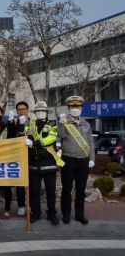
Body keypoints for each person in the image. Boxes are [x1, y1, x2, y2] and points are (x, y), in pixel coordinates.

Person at [58, 96, 95, 225]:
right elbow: (60, 135)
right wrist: (62, 123)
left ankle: (80, 215)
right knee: (66, 189)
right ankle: (66, 215)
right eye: (72, 107)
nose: (75, 109)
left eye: (77, 106)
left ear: (81, 108)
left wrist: (92, 158)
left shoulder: (86, 124)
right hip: (68, 159)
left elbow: (90, 142)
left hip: (83, 160)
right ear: (68, 108)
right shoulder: (63, 121)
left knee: (81, 189)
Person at [24, 101, 62, 225]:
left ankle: (52, 214)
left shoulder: (52, 125)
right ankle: (36, 213)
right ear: (35, 113)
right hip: (34, 163)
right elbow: (23, 135)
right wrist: (19, 125)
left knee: (51, 191)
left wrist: (34, 143)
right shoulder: (31, 125)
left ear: (46, 113)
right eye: (38, 111)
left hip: (49, 163)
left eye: (43, 111)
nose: (40, 113)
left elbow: (51, 138)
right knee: (34, 191)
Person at [10, 101, 29, 216]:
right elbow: (11, 137)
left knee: (32, 183)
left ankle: (31, 205)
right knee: (20, 183)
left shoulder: (33, 122)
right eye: (19, 109)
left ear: (27, 110)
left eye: (23, 109)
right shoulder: (14, 122)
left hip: (31, 155)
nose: (21, 111)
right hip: (18, 156)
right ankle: (21, 205)